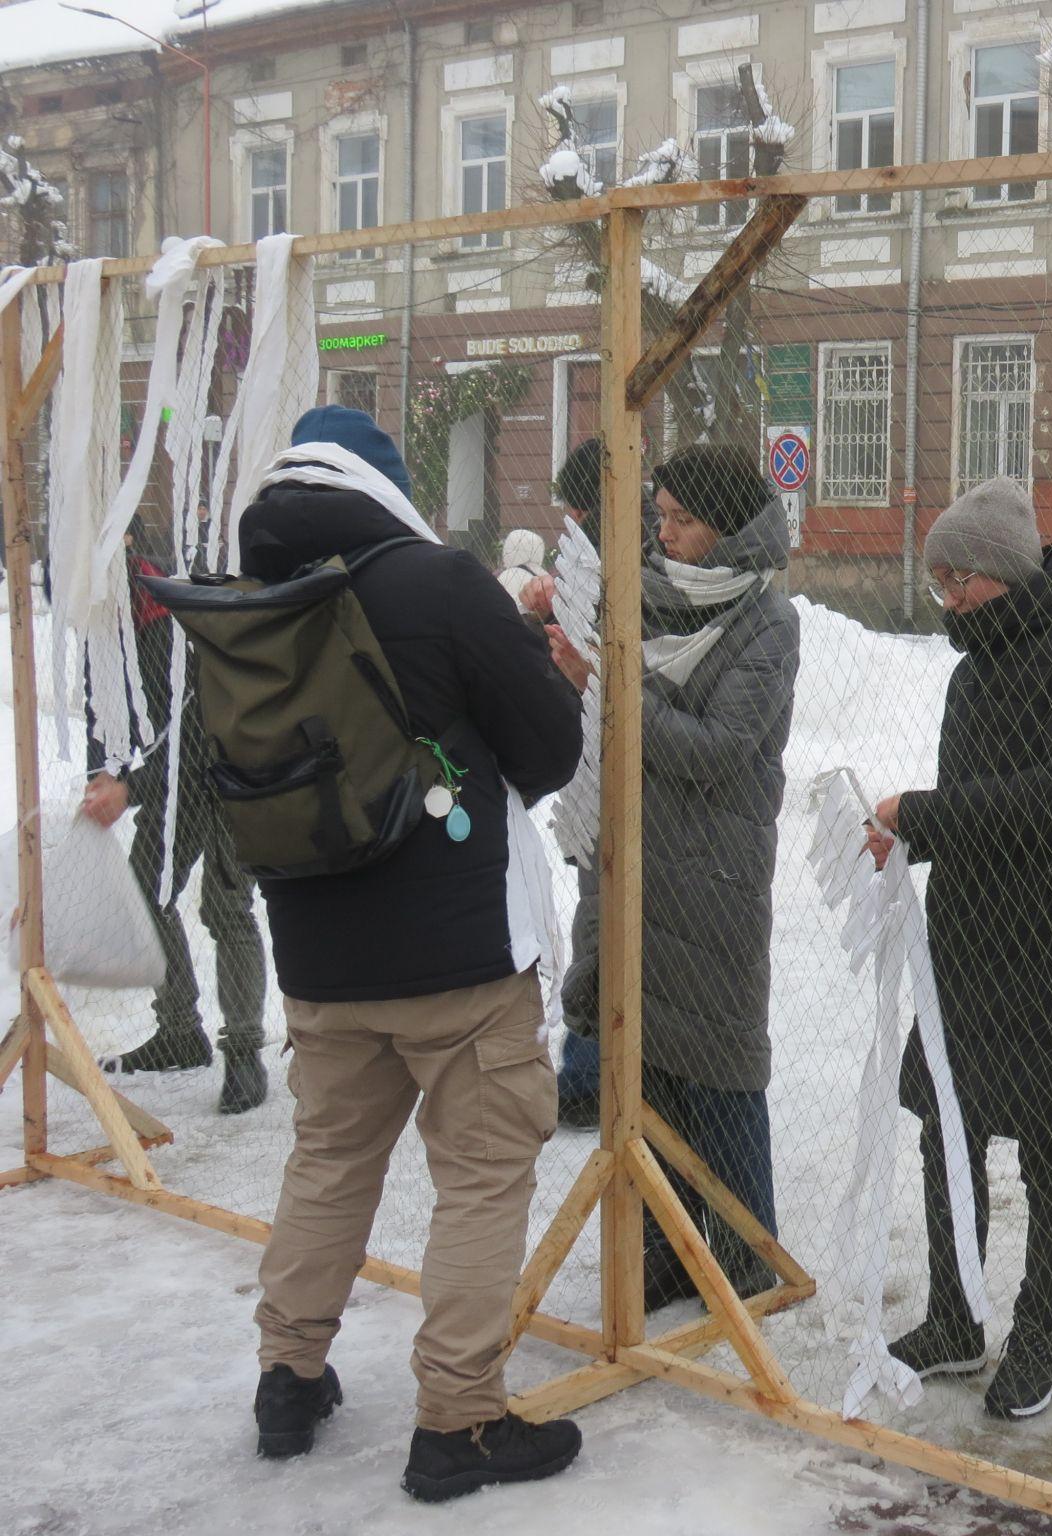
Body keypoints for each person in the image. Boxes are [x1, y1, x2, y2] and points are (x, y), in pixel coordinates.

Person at [237, 405, 585, 1499]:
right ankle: (459, 1422)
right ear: (384, 487)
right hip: (459, 958)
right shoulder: (436, 583)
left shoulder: (255, 599)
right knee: (481, 1180)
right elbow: (550, 747)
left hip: (317, 955)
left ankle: (287, 1379)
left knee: (330, 1162)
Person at [866, 477, 1052, 1422]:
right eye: (939, 578)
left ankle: (1039, 1338)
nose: (946, 596)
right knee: (950, 1128)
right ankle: (953, 1318)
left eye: (959, 577)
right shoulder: (973, 668)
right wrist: (914, 833)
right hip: (973, 942)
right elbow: (981, 803)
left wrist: (931, 813)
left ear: (1005, 573)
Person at [549, 445, 801, 1309]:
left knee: (721, 1067)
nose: (664, 536)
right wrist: (584, 677)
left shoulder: (768, 622)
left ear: (727, 527)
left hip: (717, 876)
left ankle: (741, 1252)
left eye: (682, 520)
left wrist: (614, 688)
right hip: (638, 867)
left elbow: (719, 752)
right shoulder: (643, 601)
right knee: (647, 1066)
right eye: (658, 518)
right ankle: (663, 1248)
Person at [85, 533, 269, 1115]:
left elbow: (188, 733)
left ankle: (243, 1051)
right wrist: (102, 771)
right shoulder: (101, 619)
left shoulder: (167, 615)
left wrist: (129, 788)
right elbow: (106, 707)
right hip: (172, 782)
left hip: (226, 770)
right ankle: (179, 1031)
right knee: (147, 890)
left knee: (225, 907)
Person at [545, 435, 662, 1126]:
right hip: (608, 758)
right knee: (611, 919)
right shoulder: (645, 549)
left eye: (576, 508)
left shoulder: (621, 559)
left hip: (613, 758)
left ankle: (589, 1076)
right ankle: (608, 1068)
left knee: (601, 921)